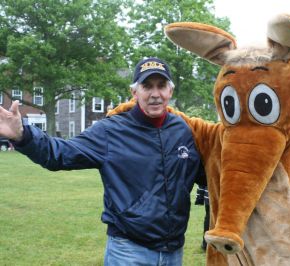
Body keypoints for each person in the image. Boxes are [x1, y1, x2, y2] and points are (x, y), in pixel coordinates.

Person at [0, 57, 205, 266]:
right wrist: (22, 135)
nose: (155, 94)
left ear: (170, 91)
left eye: (161, 86)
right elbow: (60, 153)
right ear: (135, 92)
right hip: (129, 251)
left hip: (174, 252)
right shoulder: (111, 131)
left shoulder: (183, 130)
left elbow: (204, 174)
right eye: (147, 86)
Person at [194, 185, 209, 251]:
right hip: (213, 195)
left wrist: (199, 197)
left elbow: (202, 182)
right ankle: (206, 244)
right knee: (209, 220)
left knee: (208, 219)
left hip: (209, 196)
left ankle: (205, 244)